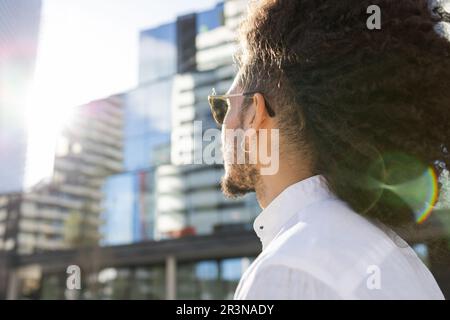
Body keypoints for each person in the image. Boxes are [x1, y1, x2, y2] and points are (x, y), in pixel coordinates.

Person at [208, 0, 450, 299]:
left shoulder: (287, 271)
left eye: (223, 107)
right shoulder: (398, 258)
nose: (221, 124)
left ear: (255, 113)